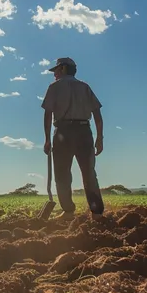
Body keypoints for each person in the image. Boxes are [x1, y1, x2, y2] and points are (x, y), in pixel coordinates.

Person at [40, 57, 105, 218]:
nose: (54, 74)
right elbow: (97, 114)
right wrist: (99, 138)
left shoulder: (54, 87)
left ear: (62, 69)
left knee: (62, 174)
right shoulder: (85, 87)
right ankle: (97, 213)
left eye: (55, 70)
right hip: (85, 132)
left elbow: (48, 114)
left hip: (63, 133)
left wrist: (47, 139)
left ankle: (68, 210)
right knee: (89, 173)